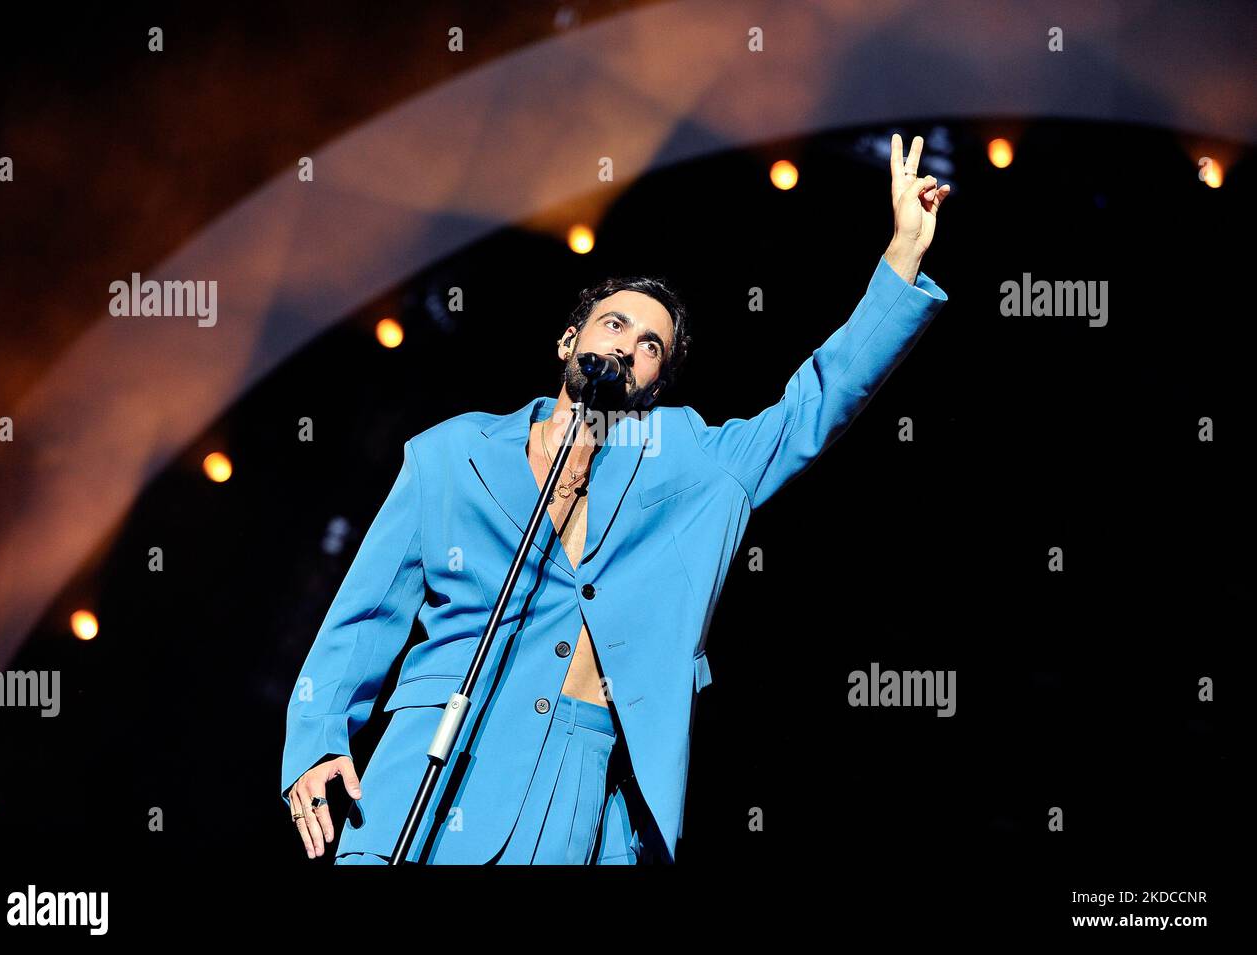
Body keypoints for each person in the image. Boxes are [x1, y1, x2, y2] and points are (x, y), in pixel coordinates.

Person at [282, 134, 951, 864]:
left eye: (652, 345)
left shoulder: (687, 460)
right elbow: (364, 614)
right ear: (570, 340)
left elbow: (810, 410)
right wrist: (317, 737)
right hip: (432, 771)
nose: (630, 343)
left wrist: (902, 257)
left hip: (578, 784)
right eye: (615, 323)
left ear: (656, 386)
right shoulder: (449, 455)